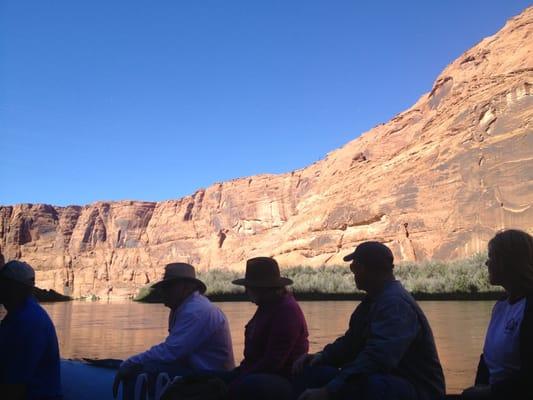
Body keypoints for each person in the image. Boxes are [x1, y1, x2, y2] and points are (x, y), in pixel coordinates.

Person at [293, 241, 445, 400]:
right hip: (389, 380)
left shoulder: (395, 304)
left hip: (418, 390)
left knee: (367, 384)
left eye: (354, 267)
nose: (353, 273)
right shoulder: (373, 301)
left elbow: (377, 359)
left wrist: (328, 391)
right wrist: (322, 356)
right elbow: (351, 343)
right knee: (311, 371)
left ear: (367, 269)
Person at [113, 262, 235, 399]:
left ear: (186, 287)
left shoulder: (195, 310)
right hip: (197, 373)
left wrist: (131, 362)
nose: (162, 291)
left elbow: (170, 352)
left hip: (214, 379)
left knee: (145, 370)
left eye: (168, 287)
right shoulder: (183, 307)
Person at [202, 256, 309, 400]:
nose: (246, 291)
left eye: (249, 286)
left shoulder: (286, 311)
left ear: (262, 288)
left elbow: (273, 362)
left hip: (283, 379)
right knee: (202, 379)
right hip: (256, 372)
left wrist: (236, 381)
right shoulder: (268, 305)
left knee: (246, 385)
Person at [462, 229, 533, 400]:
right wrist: (479, 389)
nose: (487, 263)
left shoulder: (529, 307)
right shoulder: (501, 305)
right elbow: (487, 360)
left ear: (509, 261)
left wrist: (489, 393)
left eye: (492, 256)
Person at [0, 260, 62, 400]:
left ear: (15, 287)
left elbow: (14, 386)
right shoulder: (20, 314)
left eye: (4, 283)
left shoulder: (27, 321)